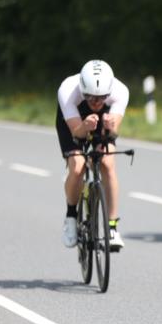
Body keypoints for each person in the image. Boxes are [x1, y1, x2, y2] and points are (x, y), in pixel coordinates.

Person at [57, 59, 130, 251]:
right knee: (77, 166)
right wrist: (85, 126)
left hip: (101, 124)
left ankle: (112, 228)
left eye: (101, 98)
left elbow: (113, 135)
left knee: (107, 162)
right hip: (74, 122)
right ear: (82, 91)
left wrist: (109, 127)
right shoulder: (68, 91)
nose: (96, 103)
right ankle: (71, 216)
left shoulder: (120, 92)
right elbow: (76, 134)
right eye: (90, 97)